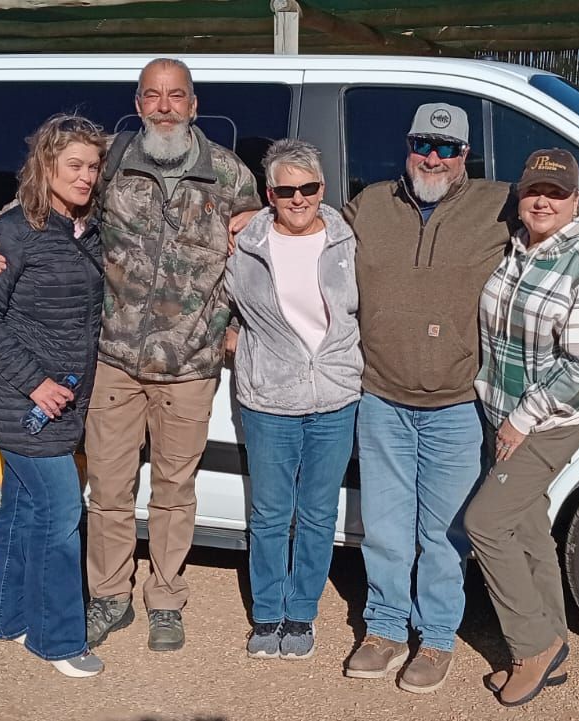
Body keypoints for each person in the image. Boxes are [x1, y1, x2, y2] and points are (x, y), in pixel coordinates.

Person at [0, 58, 260, 653]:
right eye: (152, 95)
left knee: (176, 491)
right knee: (109, 489)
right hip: (114, 361)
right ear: (138, 102)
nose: (165, 106)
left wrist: (235, 326)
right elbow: (43, 200)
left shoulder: (230, 175)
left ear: (195, 104)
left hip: (191, 366)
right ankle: (108, 597)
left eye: (177, 95)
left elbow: (264, 246)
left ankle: (167, 601)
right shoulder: (114, 159)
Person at [339, 103, 579, 693]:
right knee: (387, 527)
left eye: (448, 149)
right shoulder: (368, 204)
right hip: (381, 397)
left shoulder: (497, 203)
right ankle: (386, 627)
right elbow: (306, 223)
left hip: (457, 404)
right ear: (408, 145)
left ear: (466, 155)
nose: (434, 157)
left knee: (446, 531)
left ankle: (437, 637)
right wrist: (243, 215)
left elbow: (570, 206)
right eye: (423, 144)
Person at [466, 149, 579, 707]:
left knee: (485, 524)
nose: (542, 201)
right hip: (503, 411)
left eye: (557, 194)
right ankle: (554, 637)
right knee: (527, 525)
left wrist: (521, 421)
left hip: (545, 421)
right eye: (535, 190)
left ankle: (529, 646)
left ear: (576, 201)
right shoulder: (516, 247)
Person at [0, 114, 108, 678]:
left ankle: (5, 617)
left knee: (22, 509)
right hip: (23, 401)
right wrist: (35, 382)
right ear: (45, 166)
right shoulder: (15, 232)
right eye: (73, 165)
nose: (86, 177)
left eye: (93, 167)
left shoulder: (84, 227)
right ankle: (57, 642)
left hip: (59, 399)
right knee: (60, 512)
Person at [224, 139, 360, 662]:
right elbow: (210, 296)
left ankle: (301, 612)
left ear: (323, 189)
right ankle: (267, 613)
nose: (299, 198)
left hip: (335, 395)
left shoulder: (349, 238)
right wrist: (230, 339)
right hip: (269, 397)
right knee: (271, 512)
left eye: (309, 187)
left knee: (319, 512)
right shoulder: (244, 242)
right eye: (286, 189)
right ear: (269, 193)